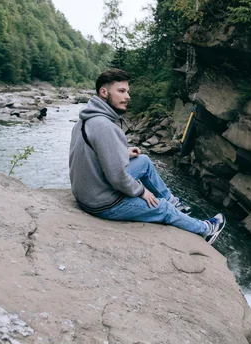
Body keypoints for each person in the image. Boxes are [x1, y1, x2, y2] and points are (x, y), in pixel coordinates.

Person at [68, 68, 226, 244]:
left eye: (127, 91)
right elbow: (117, 178)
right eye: (121, 91)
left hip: (87, 191)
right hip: (102, 202)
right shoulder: (105, 127)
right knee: (161, 207)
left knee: (143, 161)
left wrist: (123, 152)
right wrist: (141, 191)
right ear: (103, 92)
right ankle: (205, 230)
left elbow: (90, 153)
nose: (127, 96)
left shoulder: (86, 119)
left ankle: (174, 203)